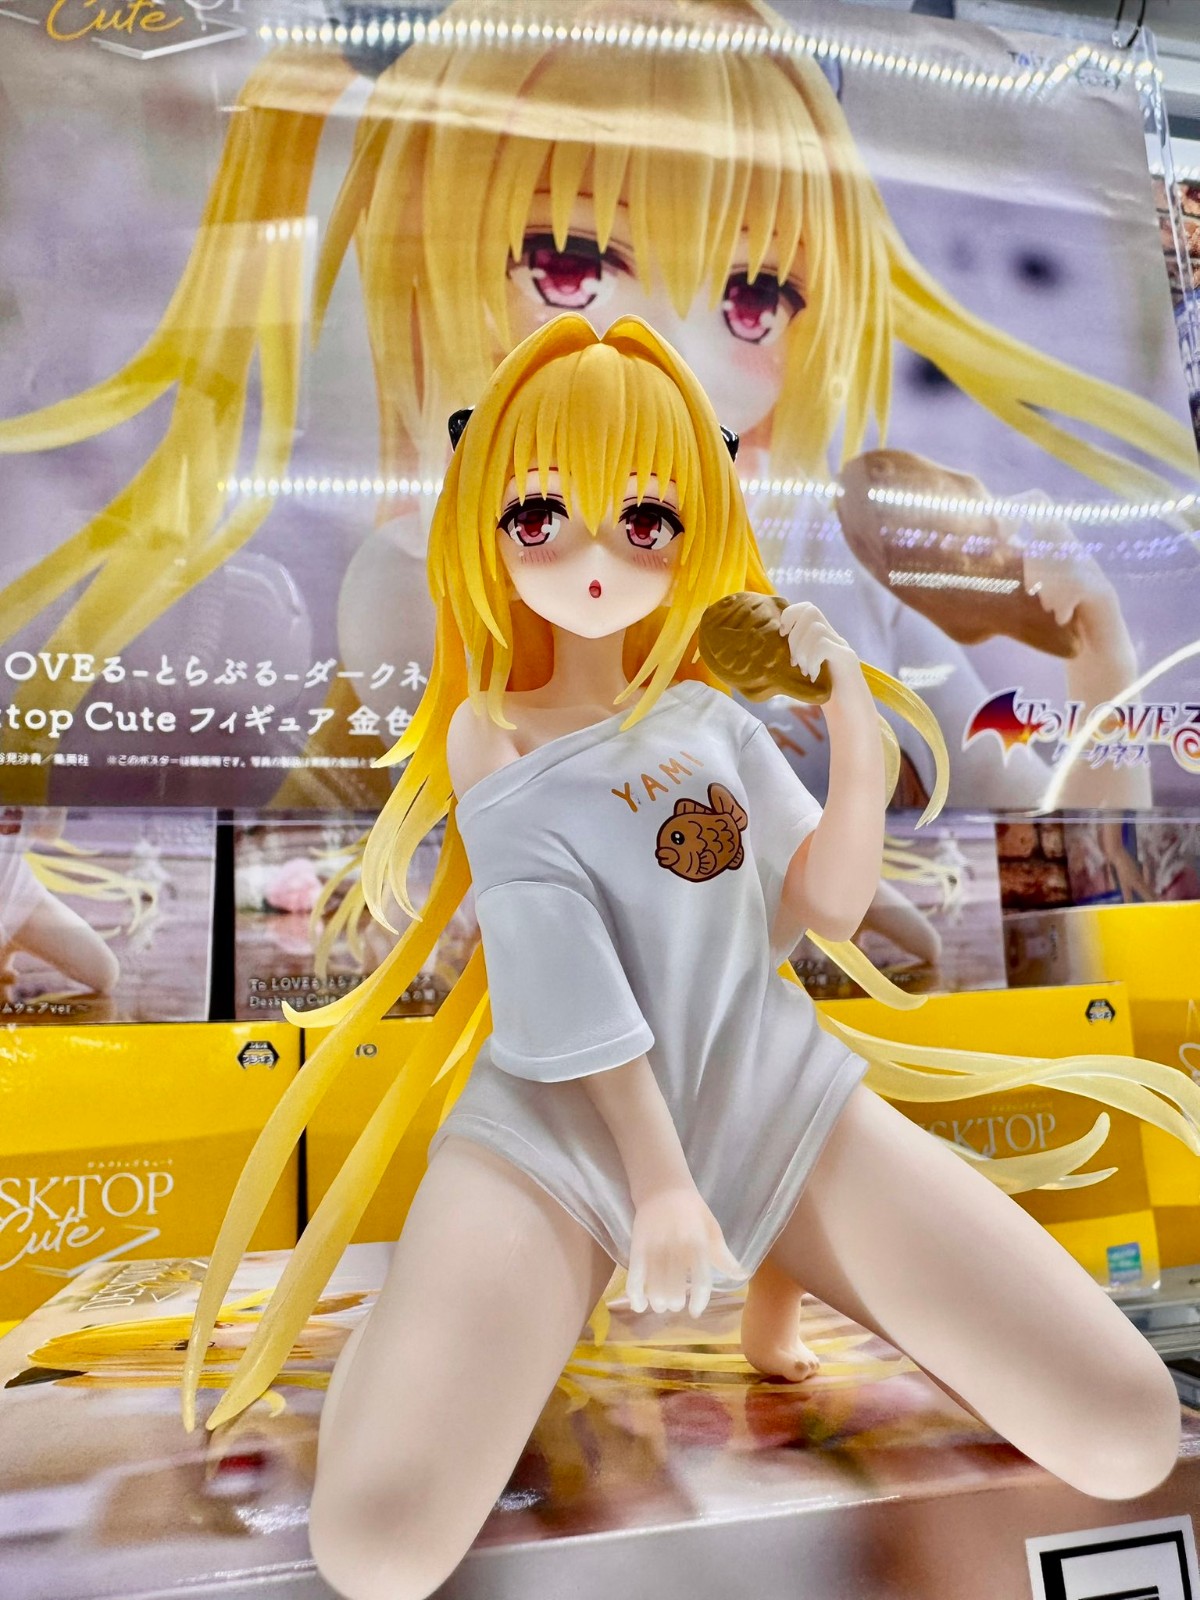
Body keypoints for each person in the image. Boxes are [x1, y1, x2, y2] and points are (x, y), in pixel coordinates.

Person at [183, 317, 1197, 1600]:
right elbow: (561, 972)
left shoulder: (713, 716)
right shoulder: (492, 734)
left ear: (694, 527)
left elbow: (823, 905)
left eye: (645, 520)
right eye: (540, 515)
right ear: (486, 522)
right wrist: (663, 1185)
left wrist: (853, 724)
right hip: (563, 1128)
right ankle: (443, 1318)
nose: (595, 559)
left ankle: (758, 1265)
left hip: (766, 1094)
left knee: (1123, 1428)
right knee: (380, 1547)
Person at [2, 0, 1195, 810]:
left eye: (754, 296)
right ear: (432, 267)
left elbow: (1043, 840)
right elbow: (614, 846)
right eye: (571, 265)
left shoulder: (820, 569)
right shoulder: (430, 576)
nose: (663, 352)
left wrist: (1102, 660)